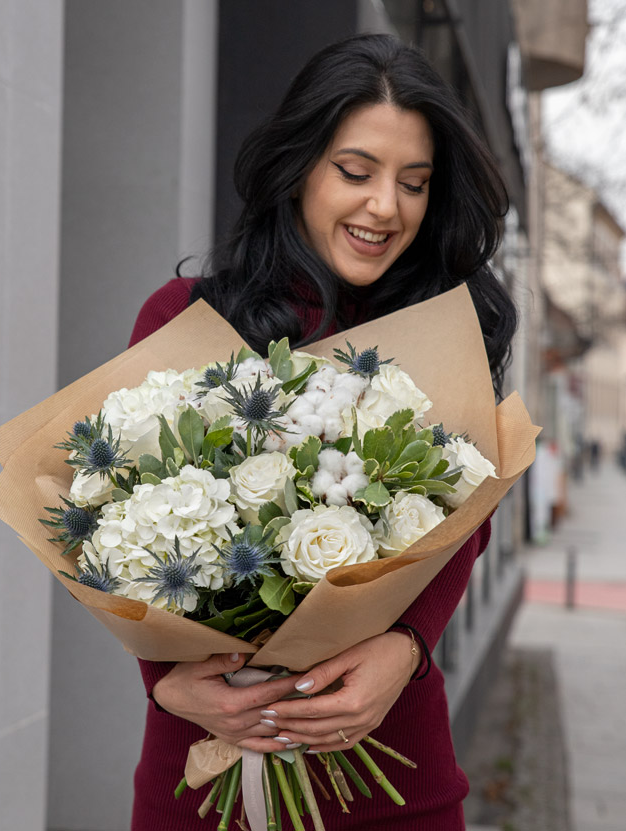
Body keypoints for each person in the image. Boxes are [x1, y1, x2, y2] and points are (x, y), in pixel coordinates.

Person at [128, 33, 517, 831]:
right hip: (204, 773)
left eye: (414, 183)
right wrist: (165, 681)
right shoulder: (182, 325)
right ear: (298, 165)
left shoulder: (442, 336)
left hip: (392, 771)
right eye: (355, 171)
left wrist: (405, 646)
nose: (386, 206)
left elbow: (460, 528)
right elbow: (121, 533)